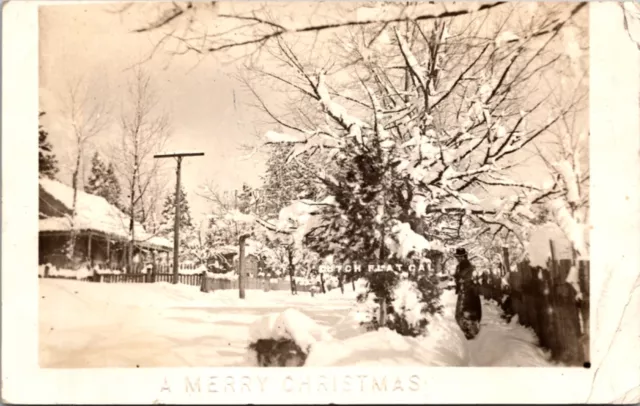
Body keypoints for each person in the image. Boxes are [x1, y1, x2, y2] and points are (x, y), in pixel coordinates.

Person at [453, 248, 482, 340]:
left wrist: (462, 280)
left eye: (460, 256)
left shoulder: (465, 264)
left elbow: (467, 277)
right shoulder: (462, 265)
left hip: (468, 290)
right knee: (467, 310)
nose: (458, 258)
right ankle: (470, 331)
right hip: (466, 290)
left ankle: (471, 331)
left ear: (463, 256)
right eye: (458, 257)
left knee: (467, 311)